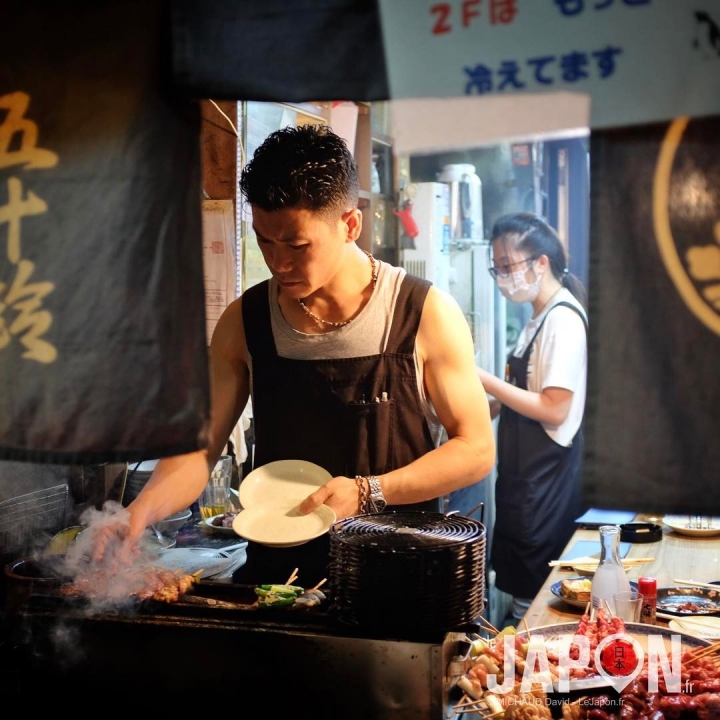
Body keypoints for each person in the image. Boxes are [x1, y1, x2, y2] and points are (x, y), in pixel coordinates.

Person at [94, 124, 495, 585]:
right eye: (264, 240)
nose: (278, 261)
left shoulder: (421, 312)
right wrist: (138, 513)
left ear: (350, 224)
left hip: (402, 580)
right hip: (282, 581)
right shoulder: (243, 321)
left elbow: (476, 449)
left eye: (296, 244)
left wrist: (369, 492)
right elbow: (198, 449)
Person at [477, 212, 588, 621]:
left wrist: (482, 378)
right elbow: (523, 397)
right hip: (525, 479)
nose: (503, 277)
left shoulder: (562, 319)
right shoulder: (539, 318)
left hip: (546, 481)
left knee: (537, 601)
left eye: (509, 266)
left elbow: (554, 408)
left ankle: (533, 678)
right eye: (498, 268)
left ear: (541, 263)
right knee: (524, 589)